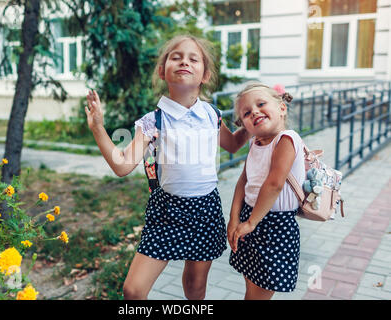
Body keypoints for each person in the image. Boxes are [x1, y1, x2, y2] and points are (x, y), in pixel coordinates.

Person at [84, 34, 250, 300]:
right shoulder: (153, 121)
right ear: (163, 71)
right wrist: (98, 128)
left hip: (205, 209)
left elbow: (232, 144)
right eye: (176, 57)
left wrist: (255, 123)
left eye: (193, 59)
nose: (184, 62)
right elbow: (122, 166)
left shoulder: (211, 114)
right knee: (133, 290)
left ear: (204, 75)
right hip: (166, 212)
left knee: (196, 287)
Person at [227, 82, 305, 300]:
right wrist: (234, 219)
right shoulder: (255, 143)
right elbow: (243, 181)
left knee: (257, 296)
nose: (255, 112)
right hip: (248, 219)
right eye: (247, 113)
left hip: (275, 228)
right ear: (244, 126)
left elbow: (274, 183)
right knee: (251, 286)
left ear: (281, 108)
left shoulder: (287, 139)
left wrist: (251, 222)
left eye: (261, 104)